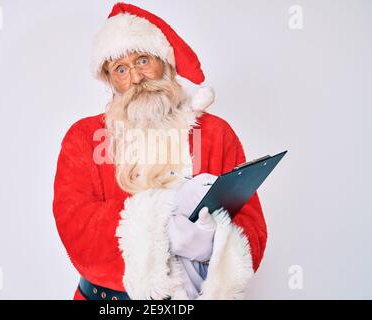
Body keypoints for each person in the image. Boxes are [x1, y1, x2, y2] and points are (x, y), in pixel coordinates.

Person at [52, 2, 267, 300]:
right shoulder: (84, 138)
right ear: (111, 81)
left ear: (164, 61)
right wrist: (160, 225)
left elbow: (251, 226)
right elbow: (75, 226)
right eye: (121, 69)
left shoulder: (216, 134)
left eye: (142, 60)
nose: (137, 78)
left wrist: (214, 244)